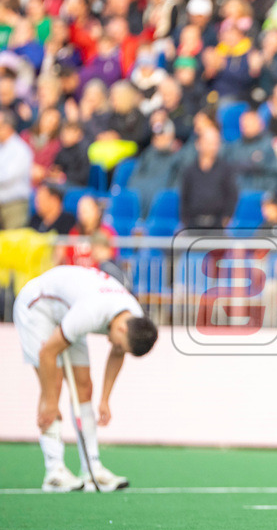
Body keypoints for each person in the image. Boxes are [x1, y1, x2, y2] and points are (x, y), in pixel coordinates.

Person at [13, 265, 159, 491]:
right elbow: (47, 353)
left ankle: (92, 468)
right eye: (118, 343)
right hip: (37, 307)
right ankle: (55, 472)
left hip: (66, 311)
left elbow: (118, 354)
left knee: (84, 388)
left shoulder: (133, 317)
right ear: (120, 328)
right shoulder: (91, 312)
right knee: (53, 386)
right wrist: (50, 403)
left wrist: (105, 399)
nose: (114, 346)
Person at [0, 107, 33, 229]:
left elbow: (7, 177)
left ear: (7, 127)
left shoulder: (20, 149)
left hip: (14, 205)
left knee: (13, 243)